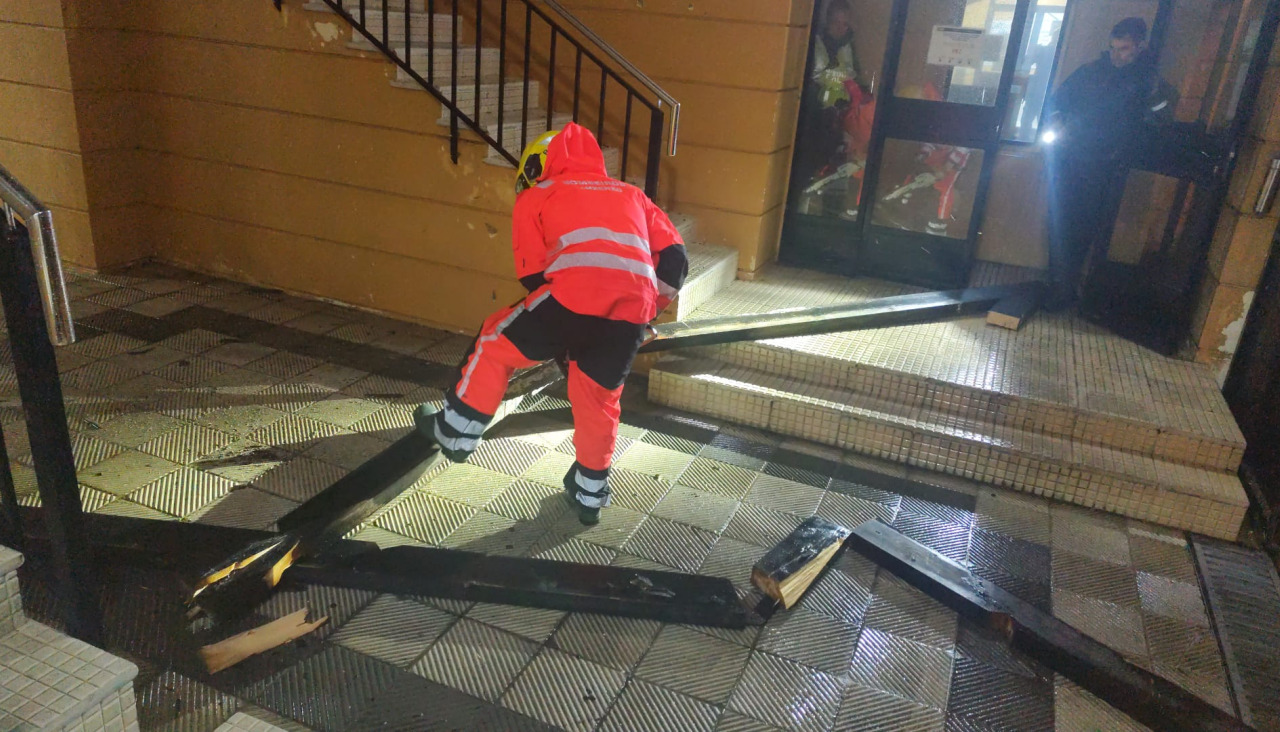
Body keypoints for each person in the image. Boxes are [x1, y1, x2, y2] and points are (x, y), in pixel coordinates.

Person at [415, 122, 688, 525]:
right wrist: (645, 311)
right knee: (598, 402)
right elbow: (675, 260)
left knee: (495, 340)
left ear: (540, 165)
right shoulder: (633, 195)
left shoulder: (537, 195)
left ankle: (455, 431)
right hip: (628, 315)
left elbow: (532, 275)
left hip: (569, 300)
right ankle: (590, 493)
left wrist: (563, 329)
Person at [1042, 17, 1168, 310]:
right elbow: (1057, 102)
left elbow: (1158, 120)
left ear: (1141, 46)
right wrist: (1059, 125)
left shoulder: (1146, 82)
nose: (1117, 55)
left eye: (1124, 49)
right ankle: (1058, 284)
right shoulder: (1090, 72)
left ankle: (1066, 287)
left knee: (1085, 228)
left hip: (1105, 166)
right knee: (1060, 222)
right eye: (1114, 48)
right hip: (1072, 159)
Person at [793, 0, 865, 217]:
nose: (840, 28)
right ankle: (798, 215)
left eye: (845, 23)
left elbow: (857, 79)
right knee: (806, 172)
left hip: (840, 122)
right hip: (813, 120)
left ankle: (831, 219)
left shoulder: (849, 45)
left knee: (836, 175)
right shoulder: (814, 42)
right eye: (836, 22)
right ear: (827, 21)